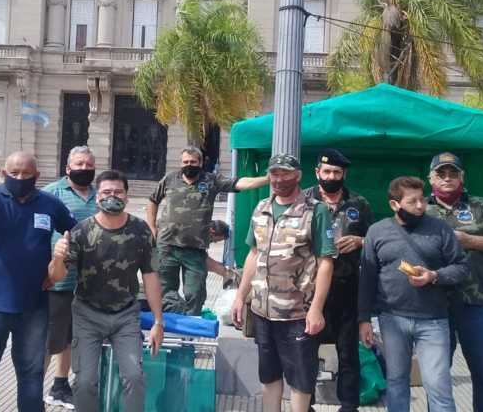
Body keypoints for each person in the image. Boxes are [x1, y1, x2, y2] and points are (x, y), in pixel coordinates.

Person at [0, 151, 76, 412]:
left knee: (31, 377)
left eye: (26, 174)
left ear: (37, 176)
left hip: (33, 306)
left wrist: (61, 261)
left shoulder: (50, 203)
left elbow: (74, 233)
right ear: (4, 174)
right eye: (14, 173)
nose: (20, 178)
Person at [48, 169, 164, 412]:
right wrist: (58, 257)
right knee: (85, 382)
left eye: (118, 192)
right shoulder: (80, 232)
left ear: (127, 196)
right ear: (97, 196)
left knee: (134, 377)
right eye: (107, 192)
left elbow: (151, 276)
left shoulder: (141, 231)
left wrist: (158, 321)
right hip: (88, 315)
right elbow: (56, 277)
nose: (113, 196)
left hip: (125, 315)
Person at [230, 154, 337, 412]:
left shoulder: (316, 211)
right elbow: (254, 255)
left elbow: (326, 262)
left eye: (285, 173)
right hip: (263, 311)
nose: (278, 179)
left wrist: (317, 309)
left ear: (298, 176)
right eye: (274, 173)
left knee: (300, 380)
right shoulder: (261, 208)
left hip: (297, 313)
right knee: (269, 375)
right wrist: (239, 296)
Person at [359, 176, 469, 412]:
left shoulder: (440, 228)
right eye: (413, 201)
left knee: (438, 385)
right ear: (394, 205)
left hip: (434, 320)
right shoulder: (376, 232)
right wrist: (364, 319)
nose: (420, 206)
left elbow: (461, 266)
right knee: (396, 382)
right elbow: (367, 279)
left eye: (423, 200)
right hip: (392, 319)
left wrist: (434, 276)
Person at [426, 152, 483, 412]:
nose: (447, 178)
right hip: (434, 307)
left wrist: (471, 241)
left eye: (453, 173)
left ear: (462, 176)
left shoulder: (480, 205)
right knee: (437, 379)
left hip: (476, 304)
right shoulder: (421, 208)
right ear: (430, 177)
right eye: (441, 173)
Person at [148, 146, 269, 315]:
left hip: (195, 250)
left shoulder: (211, 180)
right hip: (167, 246)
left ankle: (189, 333)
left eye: (193, 162)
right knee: (164, 291)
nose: (189, 165)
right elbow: (153, 201)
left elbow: (239, 183)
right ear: (180, 163)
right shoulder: (169, 179)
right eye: (186, 162)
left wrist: (267, 179)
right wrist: (152, 227)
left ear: (201, 162)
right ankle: (168, 328)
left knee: (196, 294)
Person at [303, 148, 373, 412]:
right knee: (307, 351)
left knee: (348, 353)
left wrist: (359, 241)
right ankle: (305, 403)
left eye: (337, 172)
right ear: (317, 172)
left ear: (344, 173)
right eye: (327, 172)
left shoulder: (359, 203)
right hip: (309, 291)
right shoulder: (303, 200)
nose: (332, 176)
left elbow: (376, 241)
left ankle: (349, 404)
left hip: (347, 289)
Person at [42, 145, 98, 409]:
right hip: (58, 280)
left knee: (69, 337)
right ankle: (32, 387)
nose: (84, 169)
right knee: (49, 338)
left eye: (89, 165)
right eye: (79, 164)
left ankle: (60, 384)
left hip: (88, 282)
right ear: (68, 168)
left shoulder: (100, 195)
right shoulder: (51, 194)